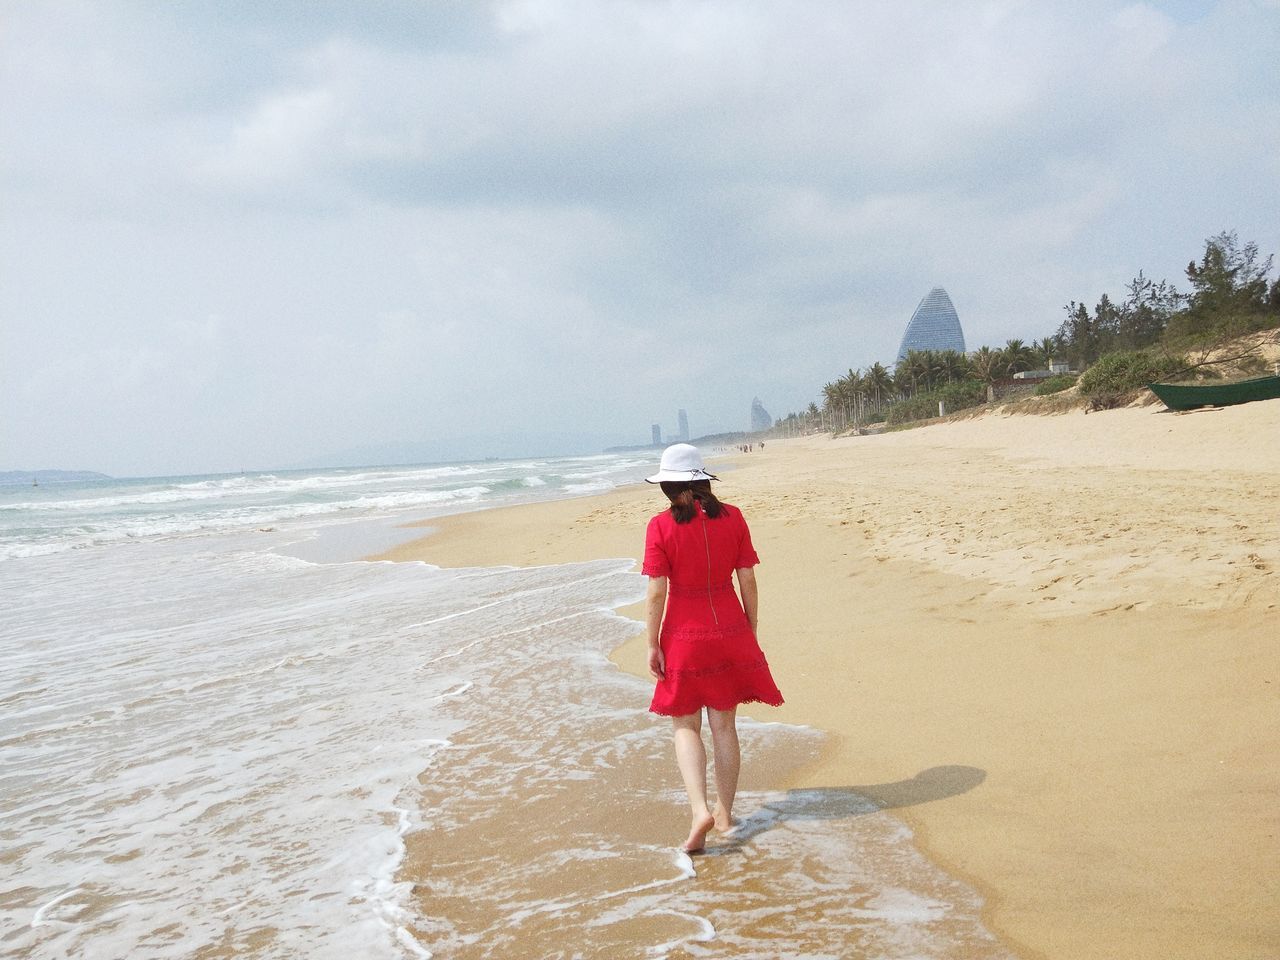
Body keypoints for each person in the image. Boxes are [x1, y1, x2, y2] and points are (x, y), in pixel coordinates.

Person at [642, 443, 784, 853]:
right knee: (724, 727)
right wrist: (749, 631)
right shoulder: (734, 518)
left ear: (667, 486)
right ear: (704, 479)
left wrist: (652, 643)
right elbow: (749, 582)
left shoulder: (660, 526)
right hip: (730, 629)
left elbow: (656, 593)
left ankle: (699, 809)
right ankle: (724, 814)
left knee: (685, 726)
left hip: (684, 637)